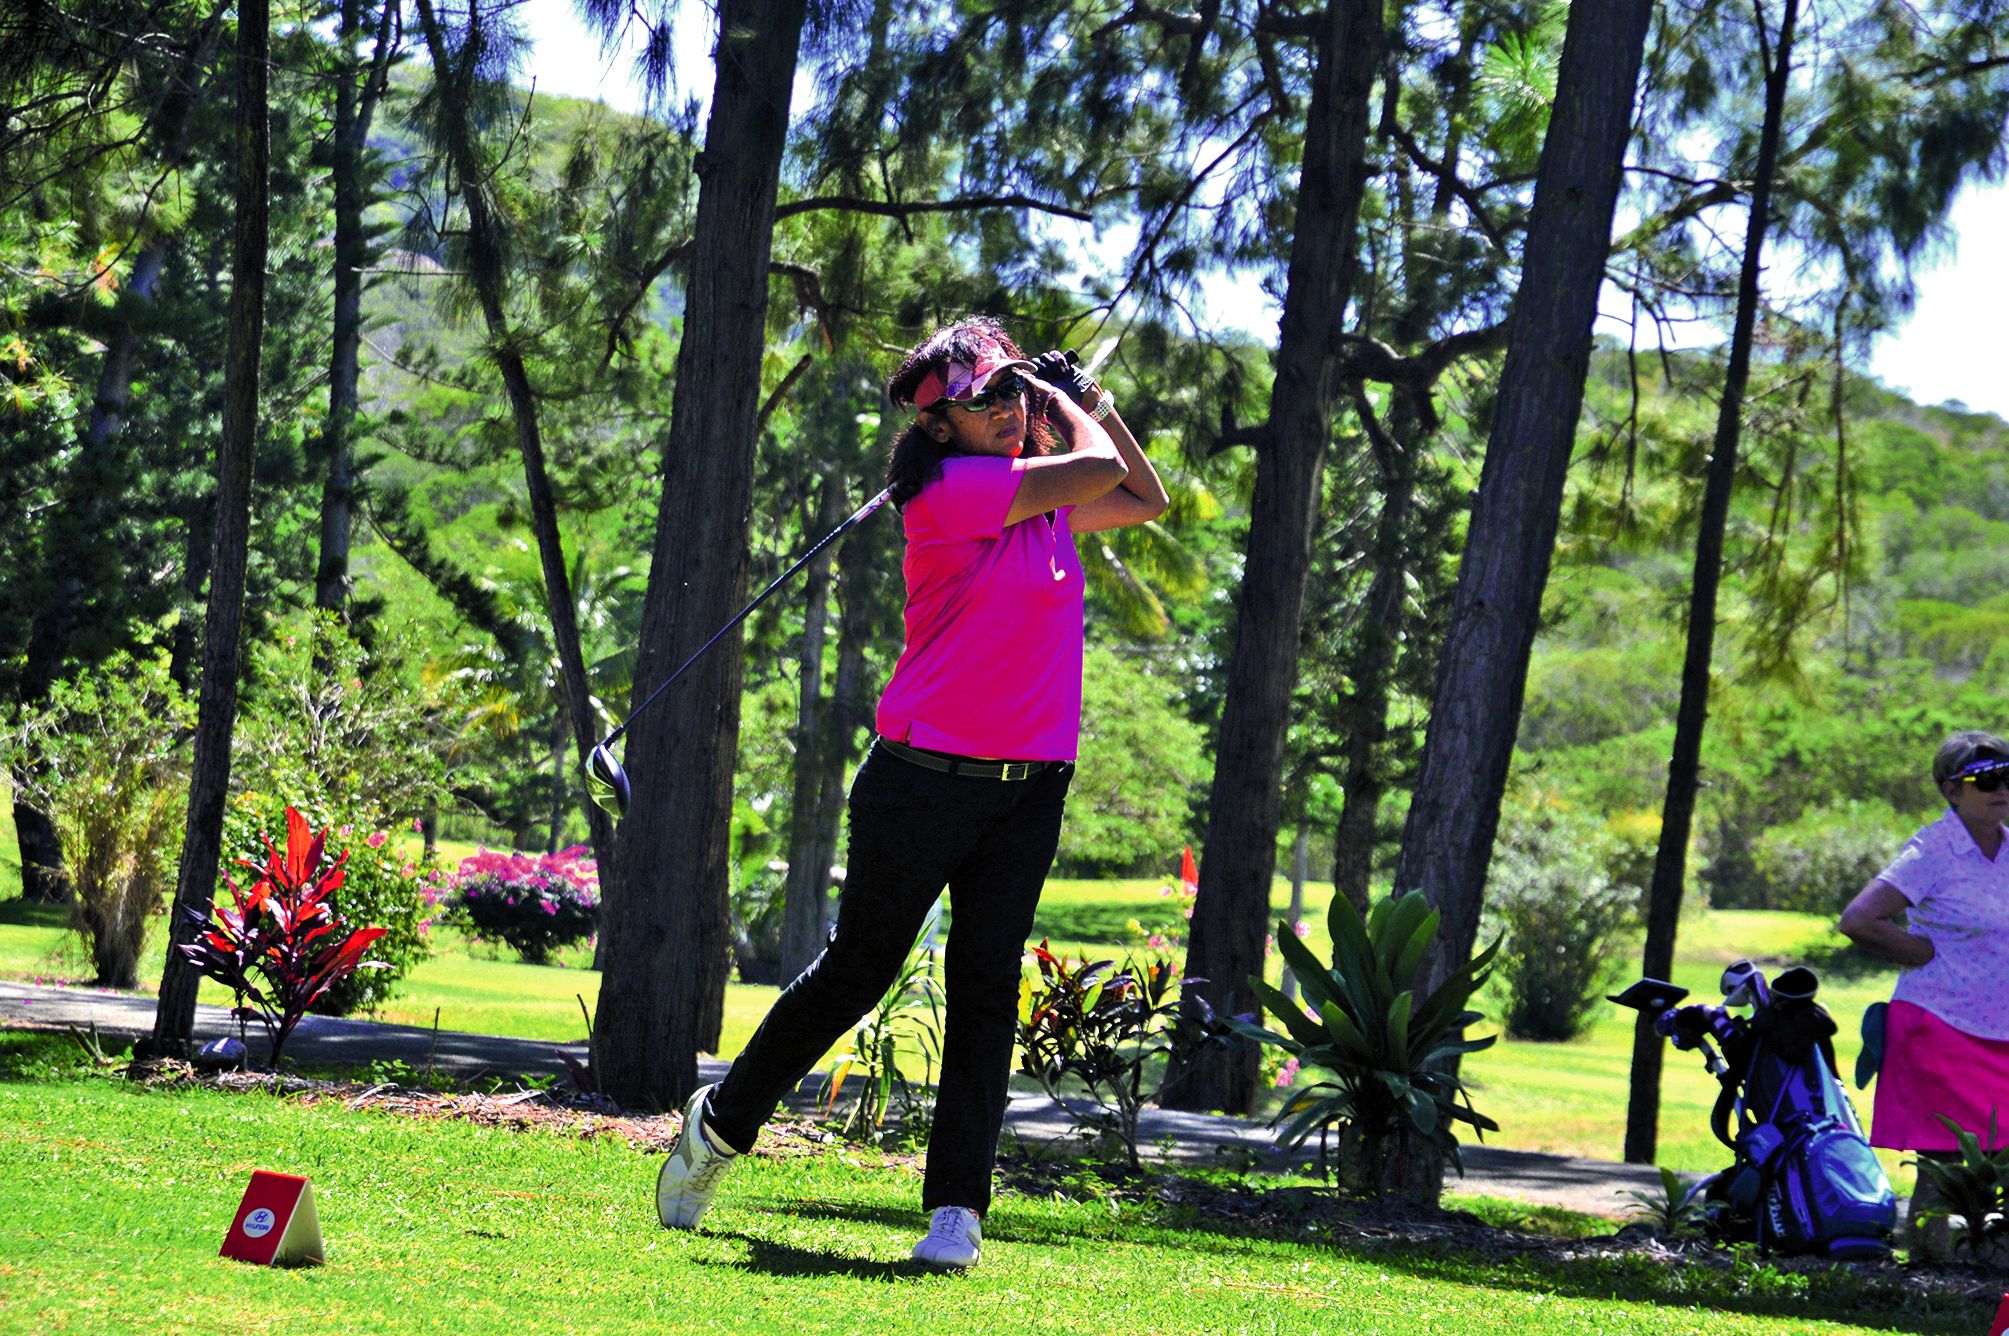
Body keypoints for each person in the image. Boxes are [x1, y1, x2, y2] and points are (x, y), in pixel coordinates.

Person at [652, 316, 1167, 1269]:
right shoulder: (953, 492)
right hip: (921, 782)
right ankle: (719, 1125)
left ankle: (956, 1213)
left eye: (1018, 393)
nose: (1013, 411)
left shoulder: (1038, 500)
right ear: (940, 426)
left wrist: (1089, 403)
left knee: (983, 991)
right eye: (991, 400)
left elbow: (1144, 495)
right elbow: (1097, 472)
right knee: (855, 973)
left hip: (1028, 790)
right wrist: (1068, 399)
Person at [1839, 729, 2009, 1255]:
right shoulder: (1933, 849)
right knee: (1944, 1165)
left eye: (2007, 777)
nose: (1999, 788)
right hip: (1939, 1026)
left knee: (1999, 1164)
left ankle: (1985, 1279)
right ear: (1951, 791)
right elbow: (1859, 919)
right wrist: (1915, 950)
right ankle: (1928, 1281)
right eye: (1985, 780)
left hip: (2000, 1029)